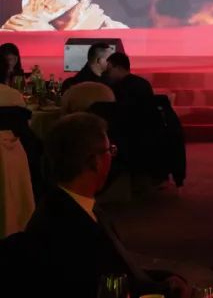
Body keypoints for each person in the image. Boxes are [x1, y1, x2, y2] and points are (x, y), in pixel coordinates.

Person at [20, 113, 189, 297]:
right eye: (110, 150)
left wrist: (166, 279)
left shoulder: (71, 206)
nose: (113, 157)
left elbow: (118, 271)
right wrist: (164, 291)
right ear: (95, 162)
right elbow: (104, 285)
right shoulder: (65, 227)